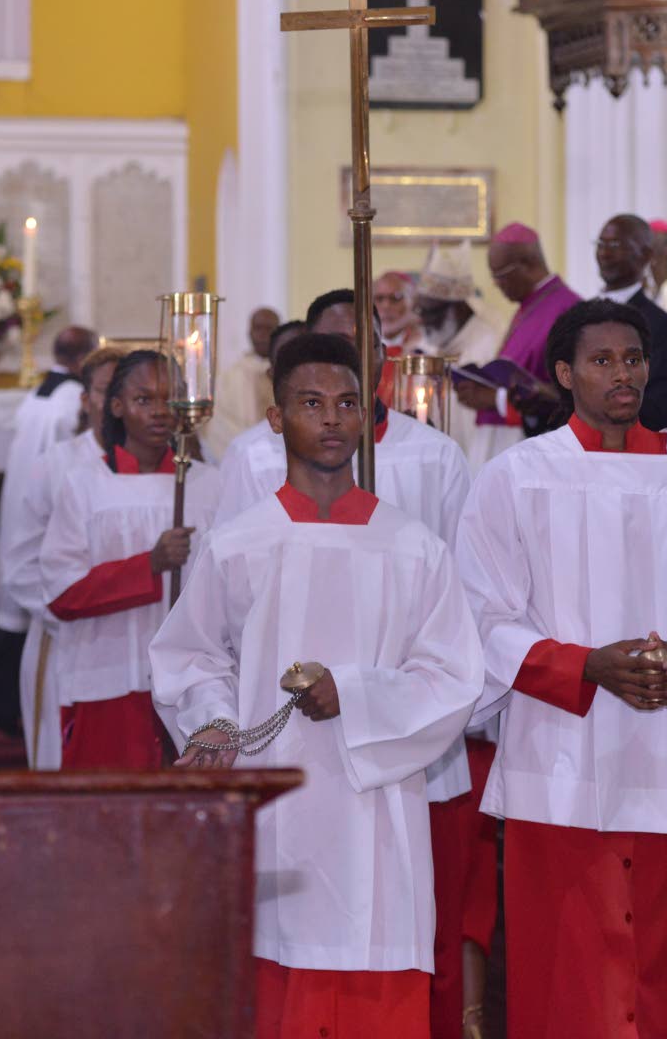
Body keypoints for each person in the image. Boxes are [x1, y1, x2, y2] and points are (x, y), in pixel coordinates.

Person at [455, 298, 667, 1039]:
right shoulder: (516, 478)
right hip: (559, 754)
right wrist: (585, 666)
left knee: (661, 956)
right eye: (601, 360)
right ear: (565, 372)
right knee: (563, 958)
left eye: (632, 359)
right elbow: (478, 617)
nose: (622, 373)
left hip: (664, 749)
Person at [151, 332, 483, 1039]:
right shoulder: (238, 542)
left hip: (380, 810)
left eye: (346, 403)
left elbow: (454, 676)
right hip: (274, 800)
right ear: (276, 419)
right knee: (278, 985)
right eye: (310, 403)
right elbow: (191, 657)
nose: (331, 419)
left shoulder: (413, 547)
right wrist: (211, 720)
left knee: (379, 984)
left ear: (366, 415)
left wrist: (356, 696)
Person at [40, 350, 219, 770]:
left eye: (170, 398)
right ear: (116, 406)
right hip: (107, 679)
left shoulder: (210, 485)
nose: (160, 411)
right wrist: (148, 565)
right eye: (144, 400)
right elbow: (62, 594)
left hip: (193, 684)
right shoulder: (85, 486)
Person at [0, 325, 98, 736]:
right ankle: (0, 702)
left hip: (22, 501)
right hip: (48, 506)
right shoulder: (68, 404)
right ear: (84, 359)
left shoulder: (38, 395)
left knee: (16, 612)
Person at [6, 345, 123, 768]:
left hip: (136, 649)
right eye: (107, 391)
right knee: (62, 767)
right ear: (86, 398)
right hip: (64, 643)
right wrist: (82, 611)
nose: (115, 404)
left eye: (127, 392)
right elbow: (20, 567)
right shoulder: (54, 466)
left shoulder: (161, 470)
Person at [454, 222, 580, 466]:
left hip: (536, 448)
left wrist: (497, 399)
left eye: (500, 276)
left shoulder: (568, 309)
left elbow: (570, 394)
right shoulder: (526, 307)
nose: (497, 285)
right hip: (504, 442)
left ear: (527, 265)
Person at [414, 240, 501, 470]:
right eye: (419, 310)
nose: (423, 320)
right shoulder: (430, 342)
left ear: (459, 308)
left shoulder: (490, 344)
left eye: (430, 312)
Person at [595, 213, 667, 430]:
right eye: (600, 244)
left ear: (645, 255)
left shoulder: (661, 325)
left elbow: (659, 409)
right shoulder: (581, 317)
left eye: (614, 244)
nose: (604, 253)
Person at [203, 307, 280, 460]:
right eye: (258, 328)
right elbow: (220, 424)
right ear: (249, 332)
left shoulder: (290, 376)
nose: (263, 335)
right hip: (242, 457)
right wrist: (251, 451)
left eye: (269, 328)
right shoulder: (228, 379)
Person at [374, 269, 422, 350]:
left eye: (396, 297)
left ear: (413, 301)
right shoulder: (362, 344)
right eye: (379, 298)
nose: (386, 306)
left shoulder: (426, 344)